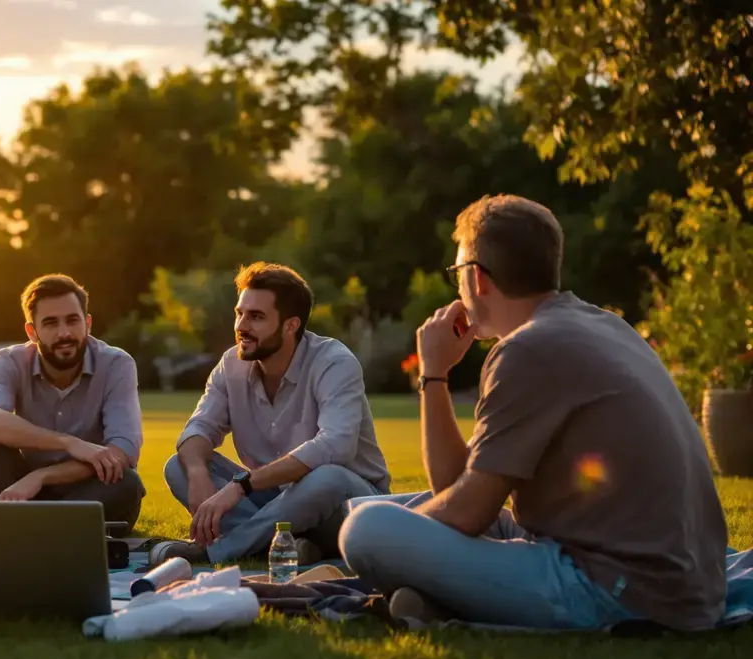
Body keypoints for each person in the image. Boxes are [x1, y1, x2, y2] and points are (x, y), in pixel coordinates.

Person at [338, 194, 729, 633]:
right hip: (684, 584)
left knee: (366, 528)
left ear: (477, 279)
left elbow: (468, 513)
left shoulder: (527, 349)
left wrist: (404, 542)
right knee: (375, 507)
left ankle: (431, 589)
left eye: (457, 275)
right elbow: (457, 486)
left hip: (620, 591)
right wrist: (437, 377)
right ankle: (434, 589)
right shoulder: (603, 325)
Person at [150, 262, 391, 566]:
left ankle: (220, 551)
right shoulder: (231, 365)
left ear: (291, 325)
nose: (241, 326)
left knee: (326, 477)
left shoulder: (334, 362)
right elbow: (198, 428)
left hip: (349, 506)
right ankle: (286, 545)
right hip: (275, 500)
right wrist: (198, 474)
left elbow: (336, 446)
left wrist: (242, 485)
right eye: (240, 313)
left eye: (256, 317)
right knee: (180, 465)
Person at [0, 273, 145, 534]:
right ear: (32, 331)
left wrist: (40, 477)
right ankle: (30, 532)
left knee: (127, 483)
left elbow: (122, 452)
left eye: (72, 320)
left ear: (87, 323)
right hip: (26, 496)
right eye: (51, 323)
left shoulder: (117, 364)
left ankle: (20, 533)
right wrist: (70, 444)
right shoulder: (10, 360)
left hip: (88, 489)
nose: (64, 333)